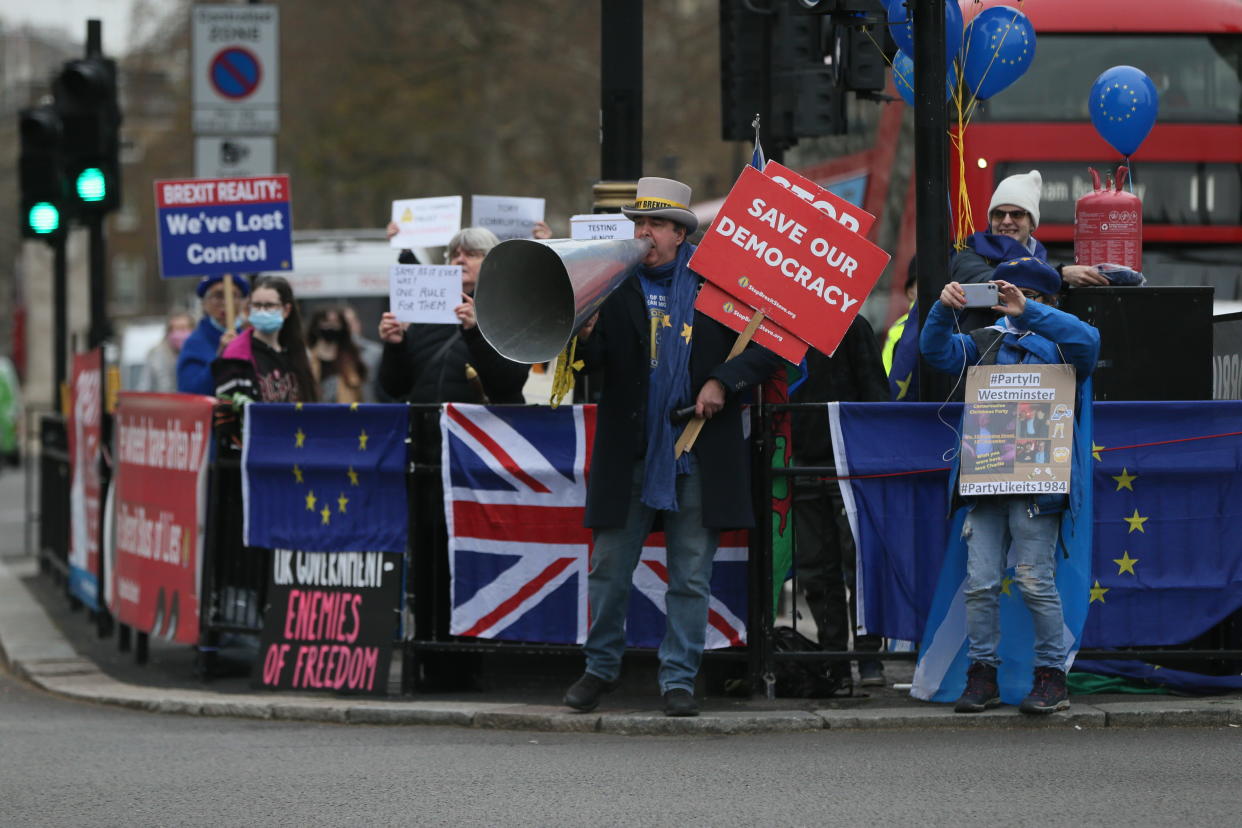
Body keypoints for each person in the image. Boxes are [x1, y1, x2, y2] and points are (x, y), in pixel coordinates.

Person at [561, 177, 782, 717]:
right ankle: (601, 668)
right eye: (639, 224)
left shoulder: (720, 287)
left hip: (698, 449)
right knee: (610, 570)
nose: (644, 234)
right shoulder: (614, 283)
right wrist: (585, 336)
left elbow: (771, 341)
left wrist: (722, 382)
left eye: (655, 224)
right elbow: (599, 369)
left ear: (681, 234)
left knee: (689, 575)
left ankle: (679, 679)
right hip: (632, 452)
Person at [920, 257, 1100, 715]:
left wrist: (1030, 312)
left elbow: (1089, 340)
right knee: (980, 583)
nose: (1014, 301)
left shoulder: (1065, 346)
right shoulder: (985, 340)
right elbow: (935, 351)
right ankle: (983, 675)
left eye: (1029, 294)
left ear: (1049, 301)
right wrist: (943, 309)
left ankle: (1051, 676)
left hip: (1039, 485)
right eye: (1007, 293)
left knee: (1035, 581)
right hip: (987, 481)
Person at [790, 314, 890, 692]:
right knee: (816, 568)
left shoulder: (851, 324)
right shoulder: (775, 325)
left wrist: (871, 455)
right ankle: (834, 660)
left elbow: (874, 392)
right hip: (800, 462)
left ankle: (867, 655)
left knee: (857, 564)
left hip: (847, 460)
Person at [377, 227, 528, 404]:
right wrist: (395, 347)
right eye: (455, 255)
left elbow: (509, 385)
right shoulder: (426, 313)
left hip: (482, 429)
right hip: (429, 428)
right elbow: (394, 388)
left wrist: (474, 332)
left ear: (493, 263)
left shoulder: (510, 314)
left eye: (471, 254)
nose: (460, 260)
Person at [951, 170, 1107, 332]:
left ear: (1032, 222)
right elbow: (992, 284)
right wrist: (1060, 275)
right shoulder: (968, 252)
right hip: (977, 352)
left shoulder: (1039, 260)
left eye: (1016, 214)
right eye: (998, 214)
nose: (1006, 221)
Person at [213, 276, 318, 404]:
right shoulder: (236, 357)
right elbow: (225, 412)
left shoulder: (296, 353)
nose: (262, 311)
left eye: (269, 305)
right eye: (256, 305)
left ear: (286, 310)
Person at [177, 275, 250, 395]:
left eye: (234, 296)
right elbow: (190, 393)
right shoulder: (194, 344)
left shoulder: (250, 340)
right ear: (205, 304)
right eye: (218, 296)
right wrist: (220, 359)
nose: (227, 302)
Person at [307, 307, 371, 403]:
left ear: (343, 327)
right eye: (326, 321)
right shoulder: (306, 358)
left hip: (345, 414)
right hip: (314, 414)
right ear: (316, 326)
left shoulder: (352, 359)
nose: (331, 326)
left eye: (335, 322)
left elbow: (361, 395)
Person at [136, 312, 194, 393]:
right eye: (175, 329)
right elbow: (145, 386)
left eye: (183, 328)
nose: (179, 333)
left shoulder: (197, 353)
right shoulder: (156, 353)